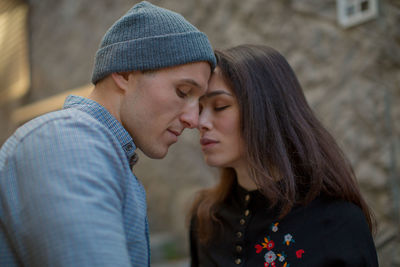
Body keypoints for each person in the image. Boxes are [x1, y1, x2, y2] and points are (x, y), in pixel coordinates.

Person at [0, 1, 216, 266]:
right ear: (125, 74)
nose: (193, 119)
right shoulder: (69, 142)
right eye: (182, 92)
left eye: (200, 102)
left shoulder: (95, 148)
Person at [189, 44, 378, 267]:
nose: (200, 122)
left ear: (266, 110)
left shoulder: (337, 221)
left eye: (220, 106)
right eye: (200, 108)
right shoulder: (208, 218)